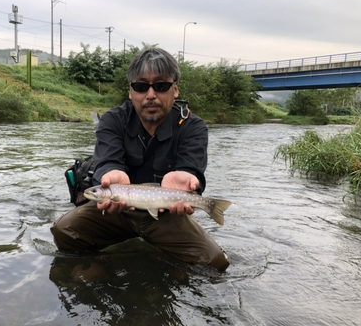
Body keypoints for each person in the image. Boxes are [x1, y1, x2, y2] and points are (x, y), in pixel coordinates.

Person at [51, 47, 230, 272]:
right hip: (116, 210)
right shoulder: (113, 120)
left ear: (175, 90)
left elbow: (191, 169)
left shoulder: (192, 127)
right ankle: (101, 268)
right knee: (64, 231)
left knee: (215, 263)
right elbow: (107, 161)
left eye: (161, 86)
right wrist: (111, 175)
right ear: (131, 91)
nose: (151, 94)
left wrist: (189, 178)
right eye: (141, 86)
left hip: (166, 214)